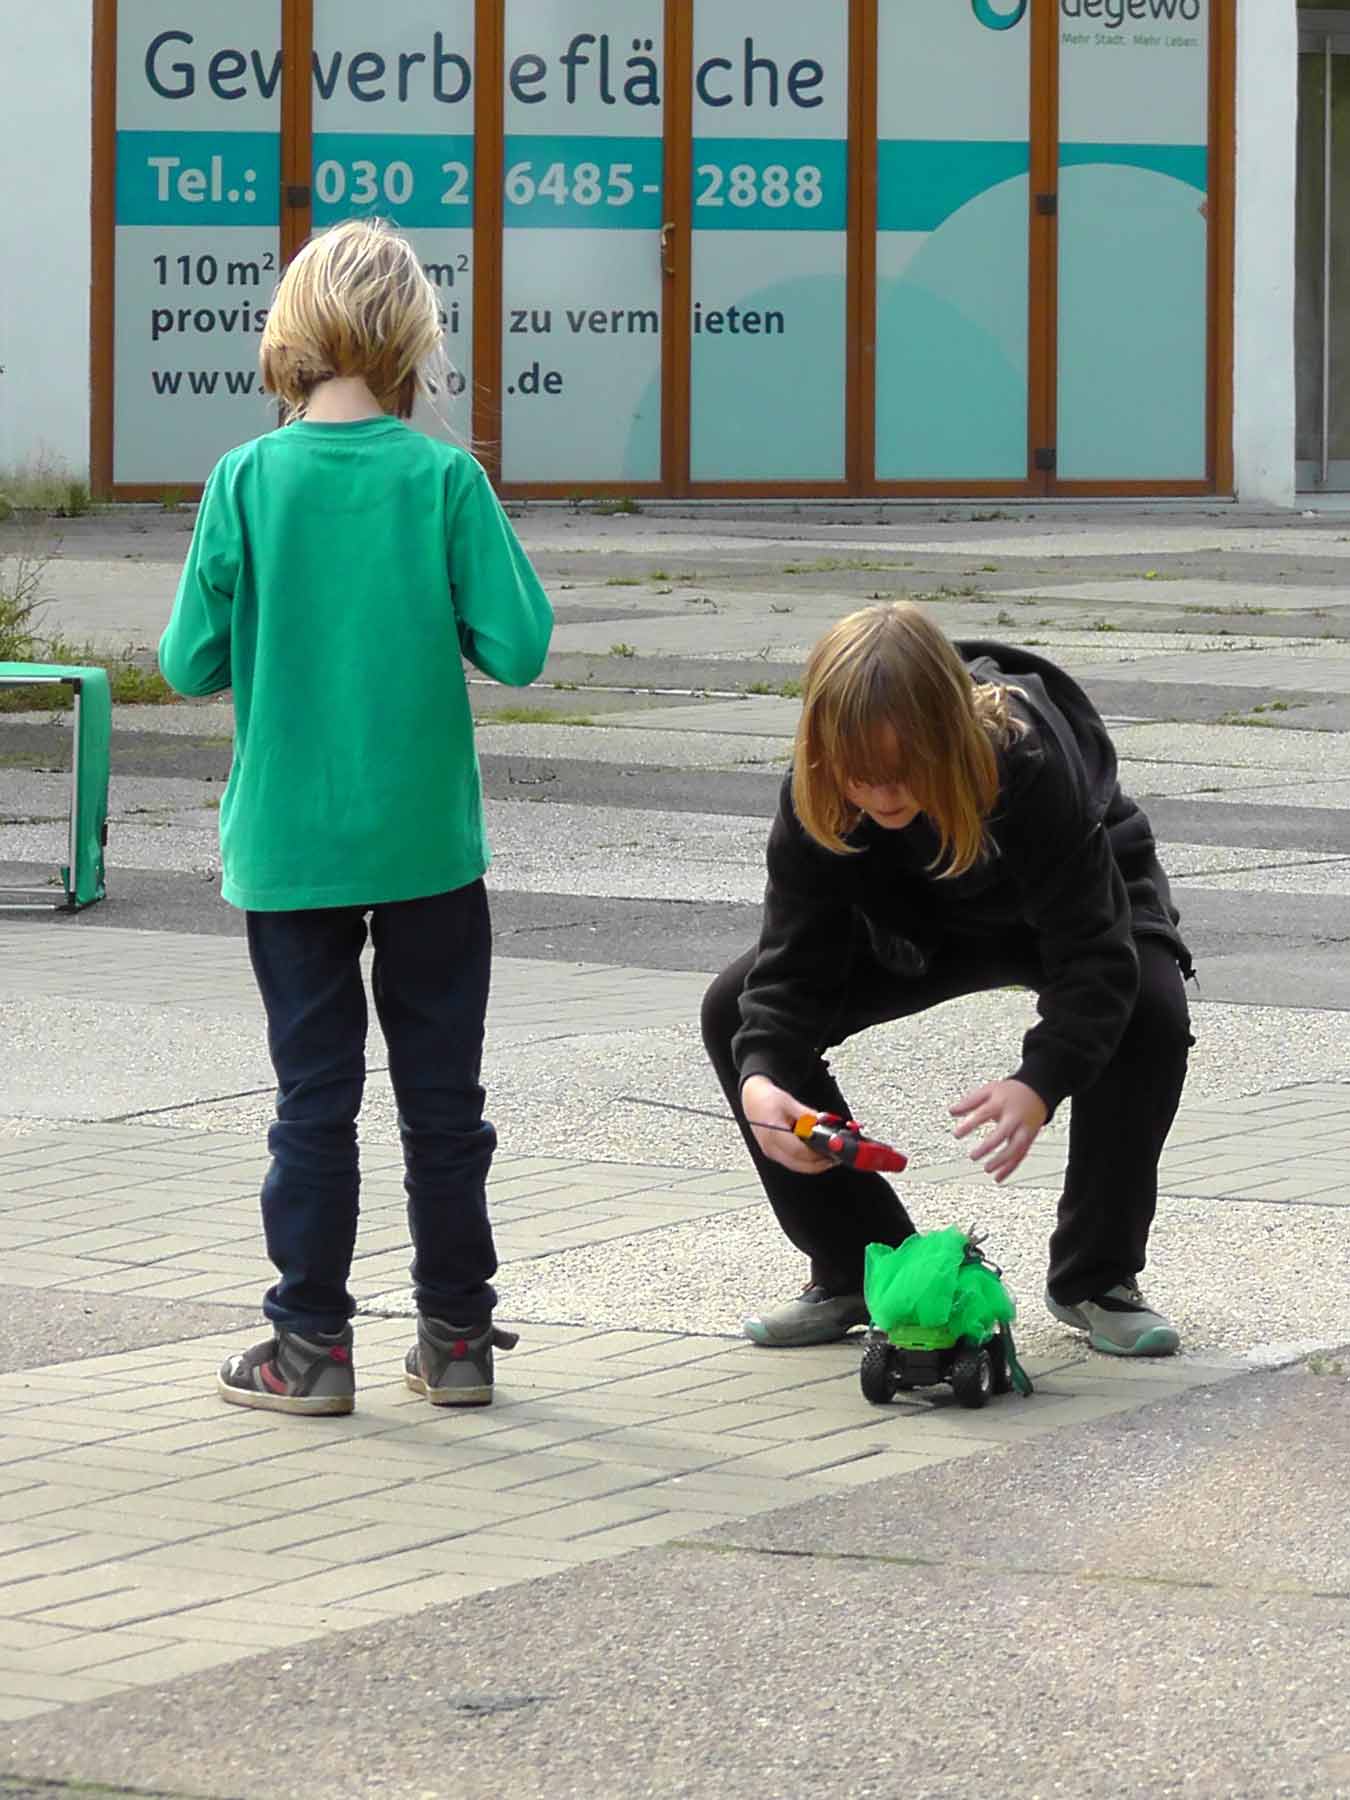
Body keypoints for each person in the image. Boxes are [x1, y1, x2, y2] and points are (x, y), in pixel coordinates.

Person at [159, 218, 553, 1416]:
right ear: (414, 346)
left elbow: (185, 663)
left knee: (312, 1103)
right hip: (428, 847)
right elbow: (522, 646)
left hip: (286, 850)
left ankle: (309, 1347)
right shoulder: (444, 480)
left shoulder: (244, 479)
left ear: (288, 337)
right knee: (445, 1103)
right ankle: (458, 1339)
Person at [701, 601, 1193, 1357]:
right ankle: (864, 1268)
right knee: (736, 1015)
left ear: (951, 739)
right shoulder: (822, 788)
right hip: (915, 920)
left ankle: (1096, 1278)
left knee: (1149, 1013)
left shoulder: (1025, 765)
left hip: (1068, 898)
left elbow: (1092, 954)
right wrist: (764, 1075)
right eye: (862, 779)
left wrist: (1040, 1079)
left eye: (905, 775)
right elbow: (795, 960)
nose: (883, 798)